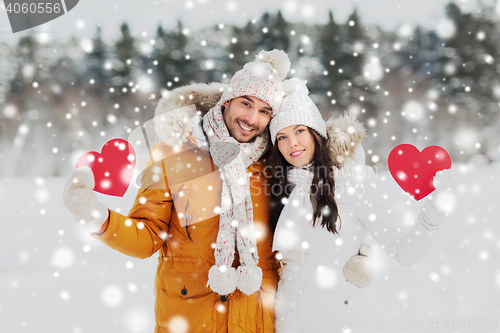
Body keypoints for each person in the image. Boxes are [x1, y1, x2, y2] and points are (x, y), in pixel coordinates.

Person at [63, 49, 292, 333]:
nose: (252, 118)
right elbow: (147, 236)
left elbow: (304, 233)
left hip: (256, 319)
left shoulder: (276, 162)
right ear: (227, 100)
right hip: (190, 319)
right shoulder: (173, 153)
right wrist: (96, 217)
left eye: (264, 111)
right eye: (246, 103)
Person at [267, 79, 455, 333]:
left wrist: (435, 211)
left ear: (316, 133)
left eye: (300, 130)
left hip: (338, 321)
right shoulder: (287, 188)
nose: (292, 144)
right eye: (282, 137)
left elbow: (404, 252)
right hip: (287, 324)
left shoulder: (355, 183)